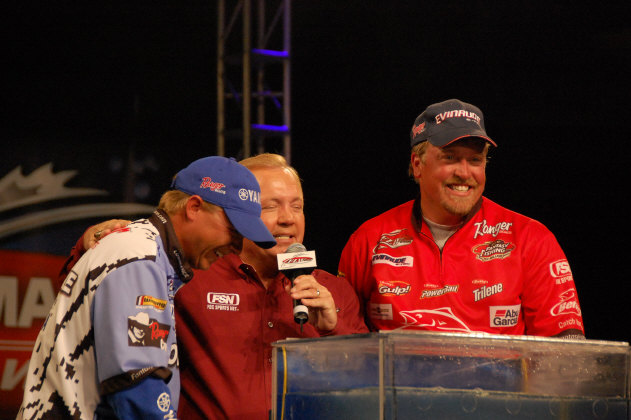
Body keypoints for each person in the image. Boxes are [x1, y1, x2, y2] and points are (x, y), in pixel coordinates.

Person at [59, 153, 368, 420]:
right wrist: (90, 245)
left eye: (297, 206)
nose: (288, 219)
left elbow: (370, 382)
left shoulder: (333, 292)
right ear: (239, 213)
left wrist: (333, 330)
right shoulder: (190, 272)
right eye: (271, 206)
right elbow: (85, 308)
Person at [17, 156, 276, 420]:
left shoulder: (145, 250)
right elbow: (136, 385)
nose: (237, 246)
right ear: (194, 207)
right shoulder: (140, 257)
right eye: (233, 230)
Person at [338, 99, 585, 339]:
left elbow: (567, 350)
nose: (465, 173)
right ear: (417, 164)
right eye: (450, 157)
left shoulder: (531, 238)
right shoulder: (368, 239)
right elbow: (341, 344)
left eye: (475, 160)